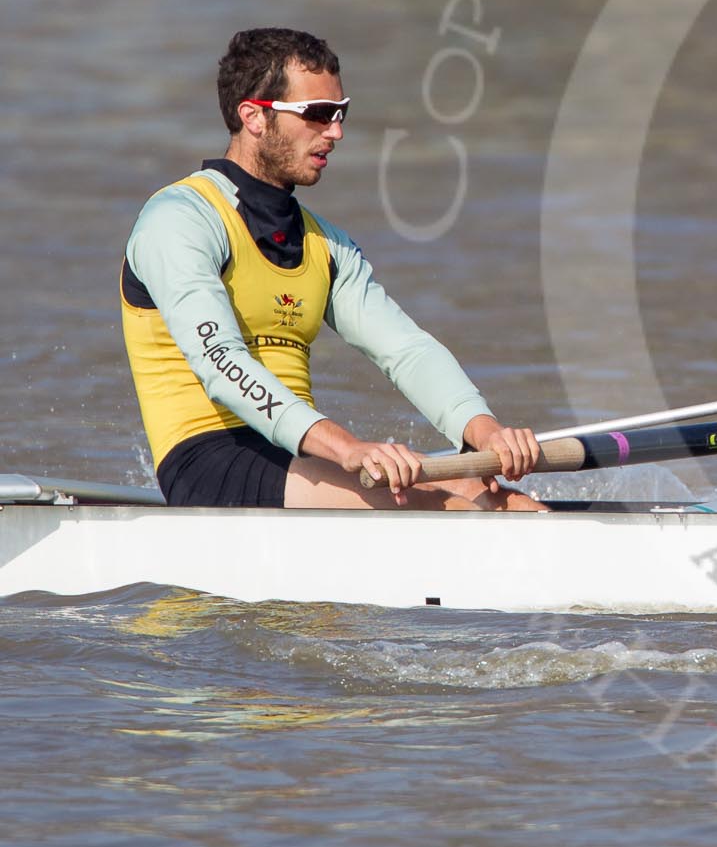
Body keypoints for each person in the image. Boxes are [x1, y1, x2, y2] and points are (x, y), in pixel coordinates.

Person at [121, 28, 544, 510]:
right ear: (253, 116)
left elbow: (405, 350)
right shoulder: (180, 219)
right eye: (318, 114)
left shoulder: (325, 243)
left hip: (295, 454)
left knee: (498, 500)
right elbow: (220, 362)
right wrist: (347, 448)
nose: (336, 132)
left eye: (340, 113)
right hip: (211, 462)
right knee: (461, 506)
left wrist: (483, 430)